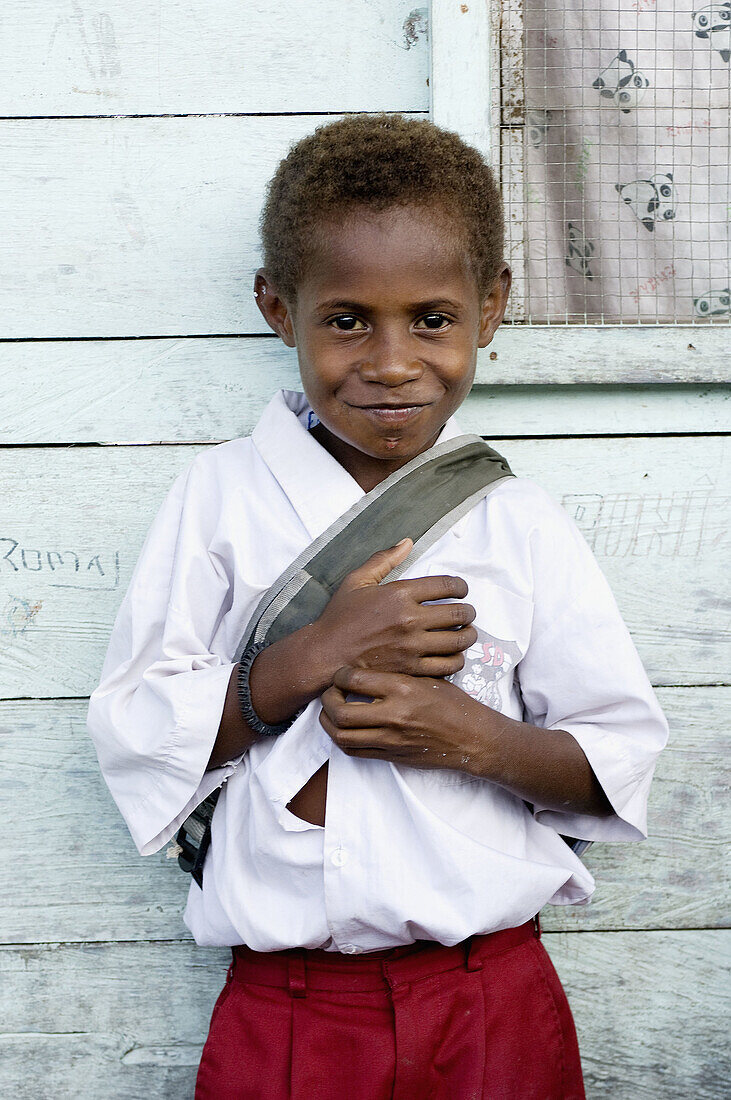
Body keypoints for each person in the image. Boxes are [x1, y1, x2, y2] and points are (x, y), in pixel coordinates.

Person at [86, 113, 669, 1099]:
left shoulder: (516, 522)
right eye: (347, 317)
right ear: (279, 307)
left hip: (488, 995)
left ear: (489, 308)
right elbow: (136, 728)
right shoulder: (220, 499)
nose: (392, 361)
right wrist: (305, 656)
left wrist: (467, 736)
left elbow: (613, 756)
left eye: (431, 318)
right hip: (290, 1008)